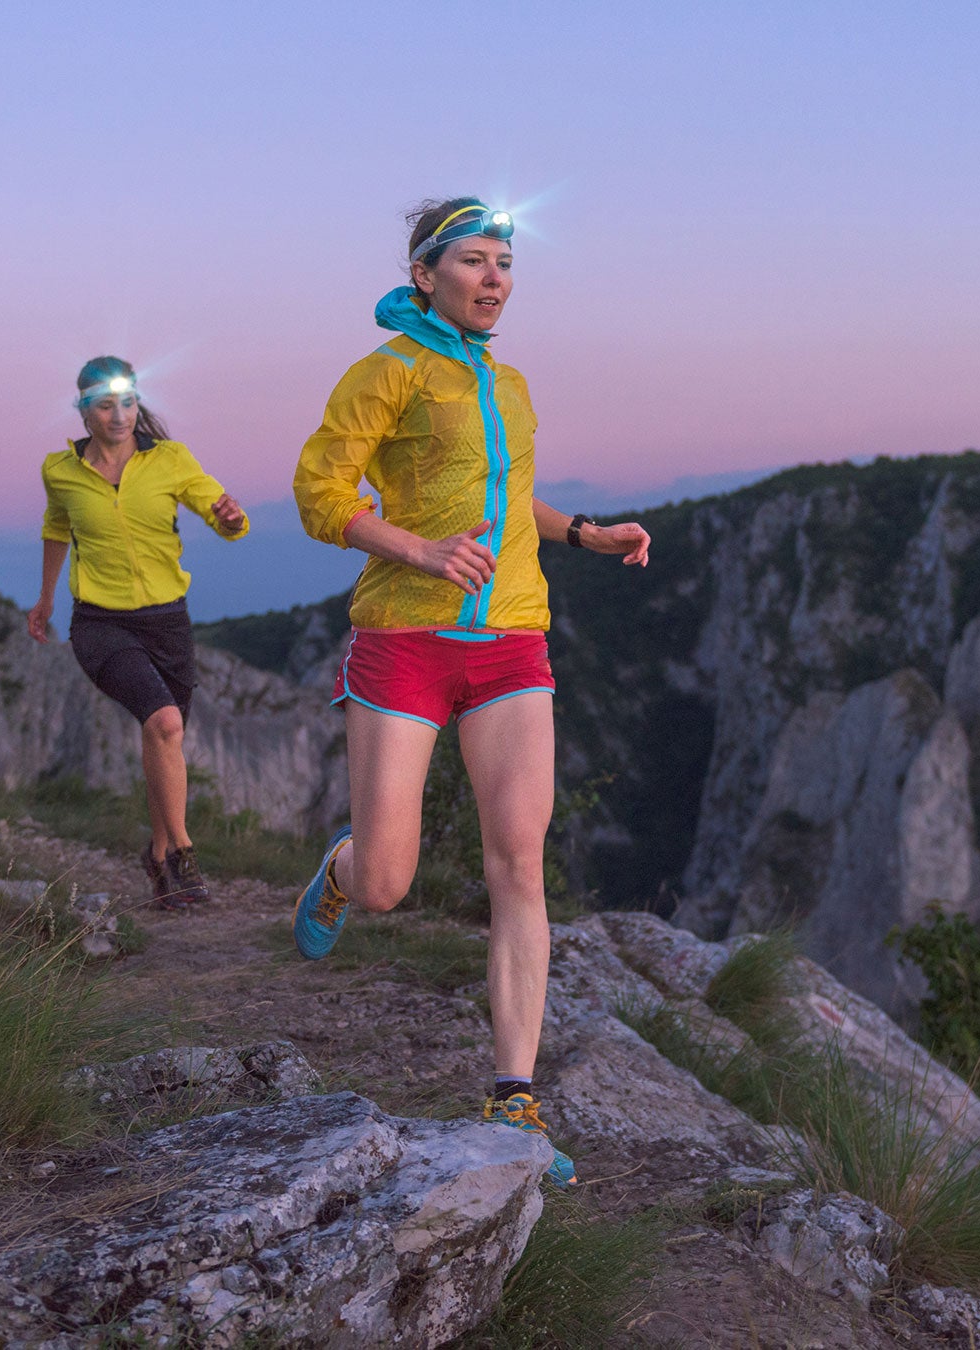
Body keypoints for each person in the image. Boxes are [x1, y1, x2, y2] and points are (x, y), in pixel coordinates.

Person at [290, 198, 653, 1184]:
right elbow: (319, 490)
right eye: (473, 262)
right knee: (387, 883)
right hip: (404, 640)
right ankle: (340, 871)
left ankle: (513, 1097)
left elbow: (508, 490)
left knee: (520, 860)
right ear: (425, 275)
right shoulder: (388, 373)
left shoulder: (508, 381)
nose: (493, 279)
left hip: (510, 643)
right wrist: (416, 548)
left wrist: (586, 534)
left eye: (504, 264)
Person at [28, 356, 250, 909]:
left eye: (127, 402)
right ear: (83, 411)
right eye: (105, 404)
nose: (120, 415)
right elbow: (58, 528)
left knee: (164, 741)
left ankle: (154, 855)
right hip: (100, 622)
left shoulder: (170, 460)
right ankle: (181, 850)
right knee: (165, 722)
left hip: (168, 621)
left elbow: (220, 514)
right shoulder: (60, 470)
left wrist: (230, 519)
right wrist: (45, 597)